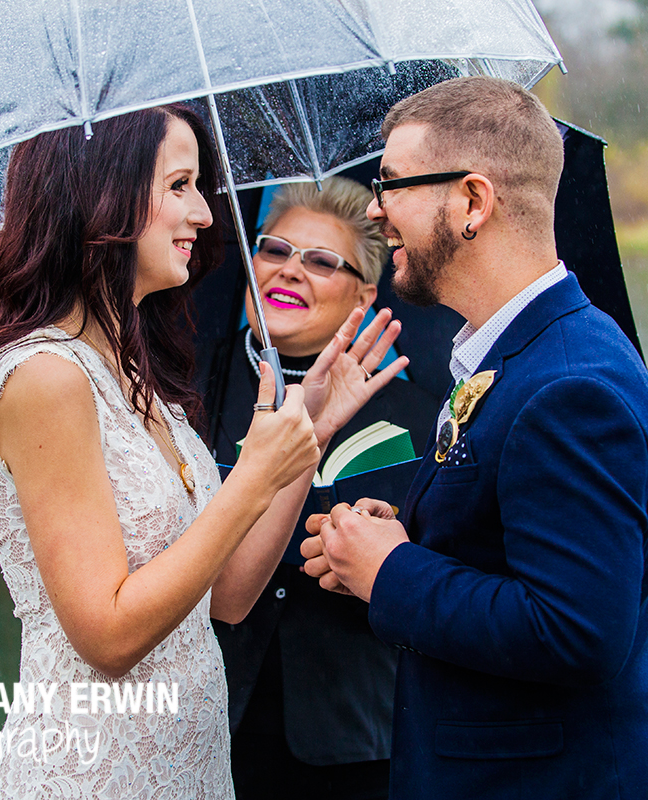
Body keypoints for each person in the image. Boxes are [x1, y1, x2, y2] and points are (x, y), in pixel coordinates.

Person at [0, 105, 408, 799]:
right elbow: (105, 635)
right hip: (98, 772)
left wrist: (305, 433)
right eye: (180, 185)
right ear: (103, 193)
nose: (204, 213)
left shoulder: (137, 379)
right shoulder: (47, 378)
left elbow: (226, 597)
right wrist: (251, 478)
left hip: (188, 770)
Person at [302, 77, 648, 799]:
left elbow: (576, 631)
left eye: (391, 184)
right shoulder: (521, 350)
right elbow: (516, 544)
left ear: (472, 202)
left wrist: (392, 573)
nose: (374, 209)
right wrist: (395, 541)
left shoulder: (570, 389)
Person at [210, 177, 439, 800]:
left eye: (319, 261)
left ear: (363, 295)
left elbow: (446, 555)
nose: (290, 271)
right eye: (275, 251)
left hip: (360, 739)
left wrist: (383, 548)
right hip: (209, 728)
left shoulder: (423, 414)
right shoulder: (189, 393)